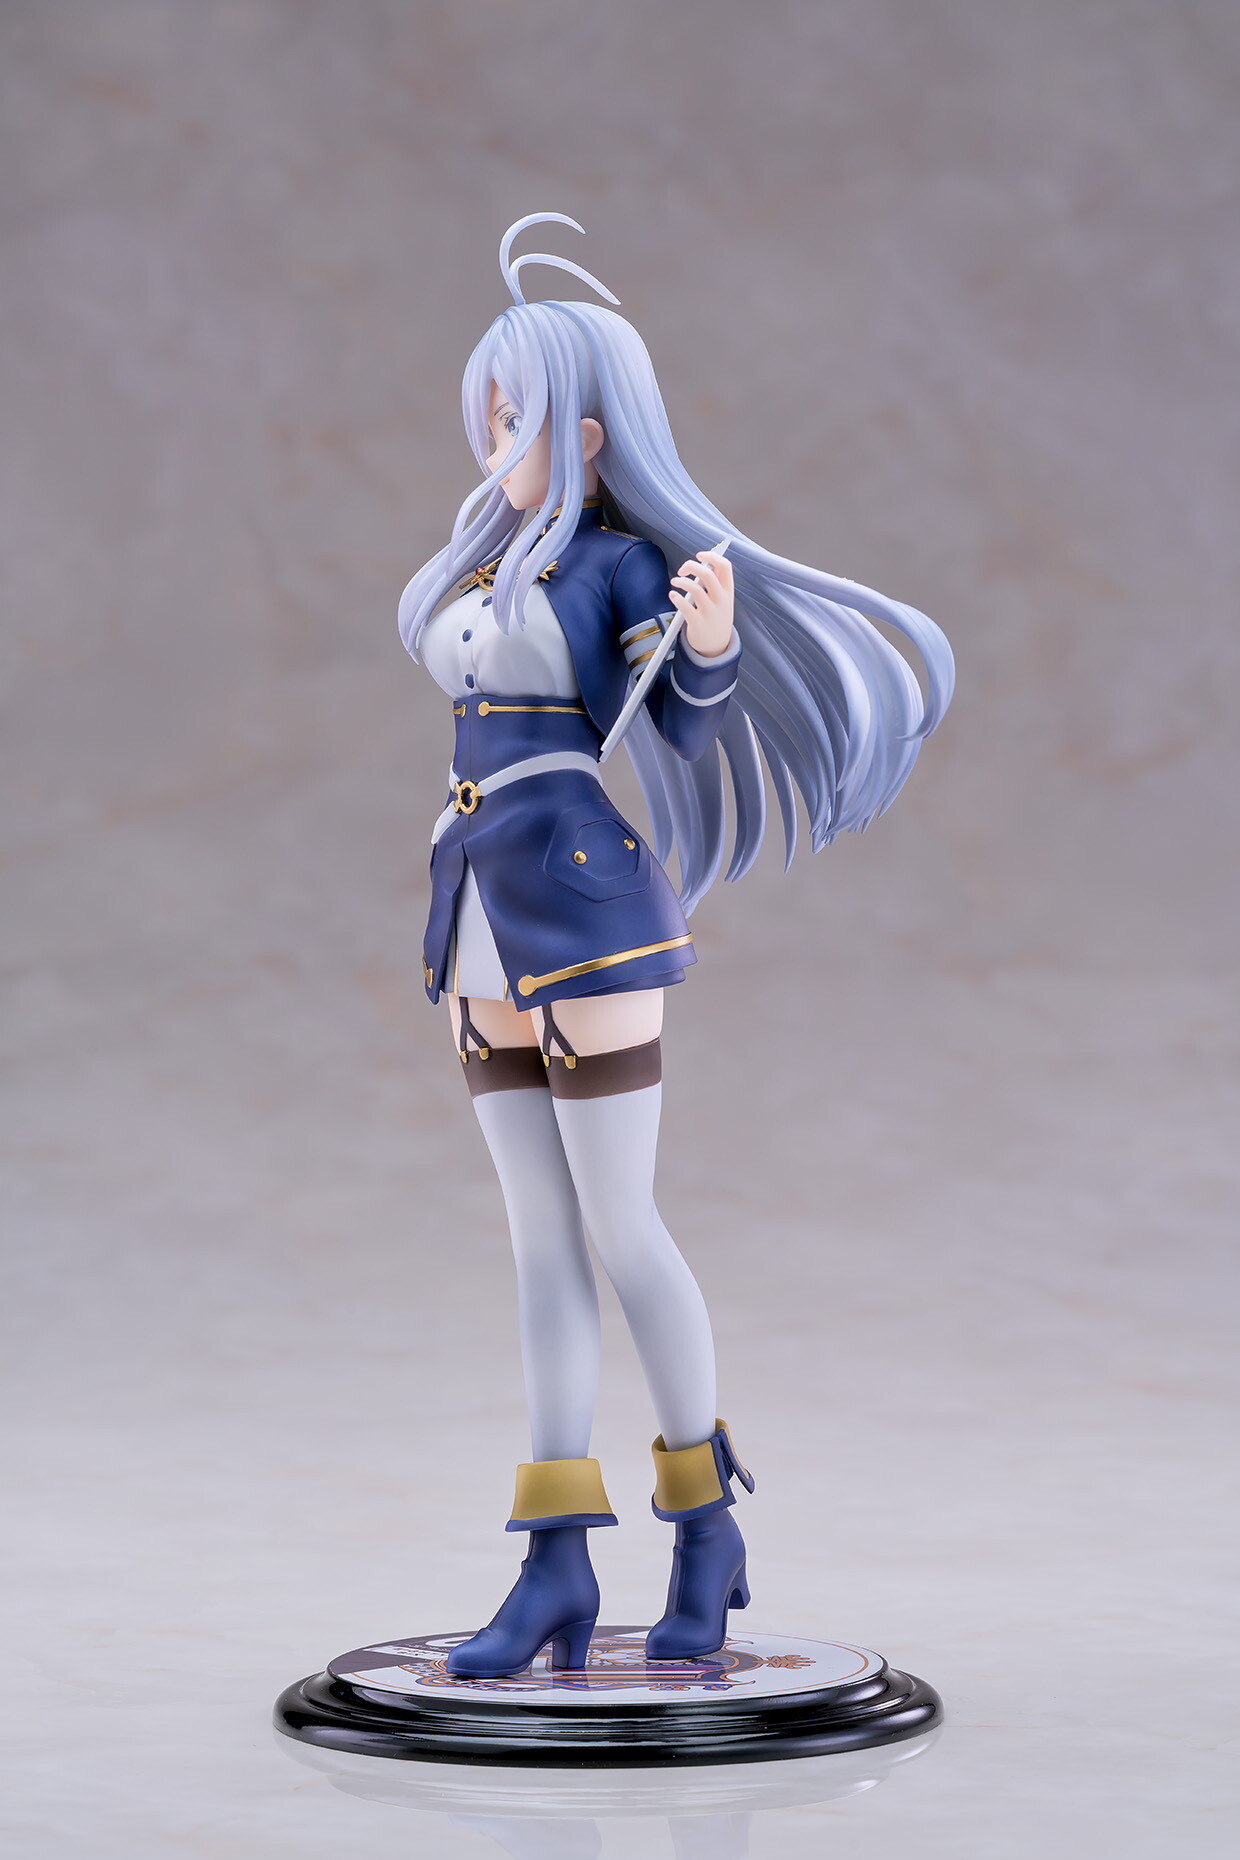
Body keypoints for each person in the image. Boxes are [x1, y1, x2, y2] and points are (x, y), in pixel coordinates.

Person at [397, 214, 954, 1678]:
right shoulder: (485, 567)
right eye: (487, 418)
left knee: (623, 1229)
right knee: (539, 1247)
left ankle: (707, 1527)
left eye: (516, 420)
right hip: (477, 909)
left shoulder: (619, 567)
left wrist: (706, 640)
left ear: (586, 434)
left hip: (584, 913)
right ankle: (555, 1565)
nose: (494, 443)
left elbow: (687, 726)